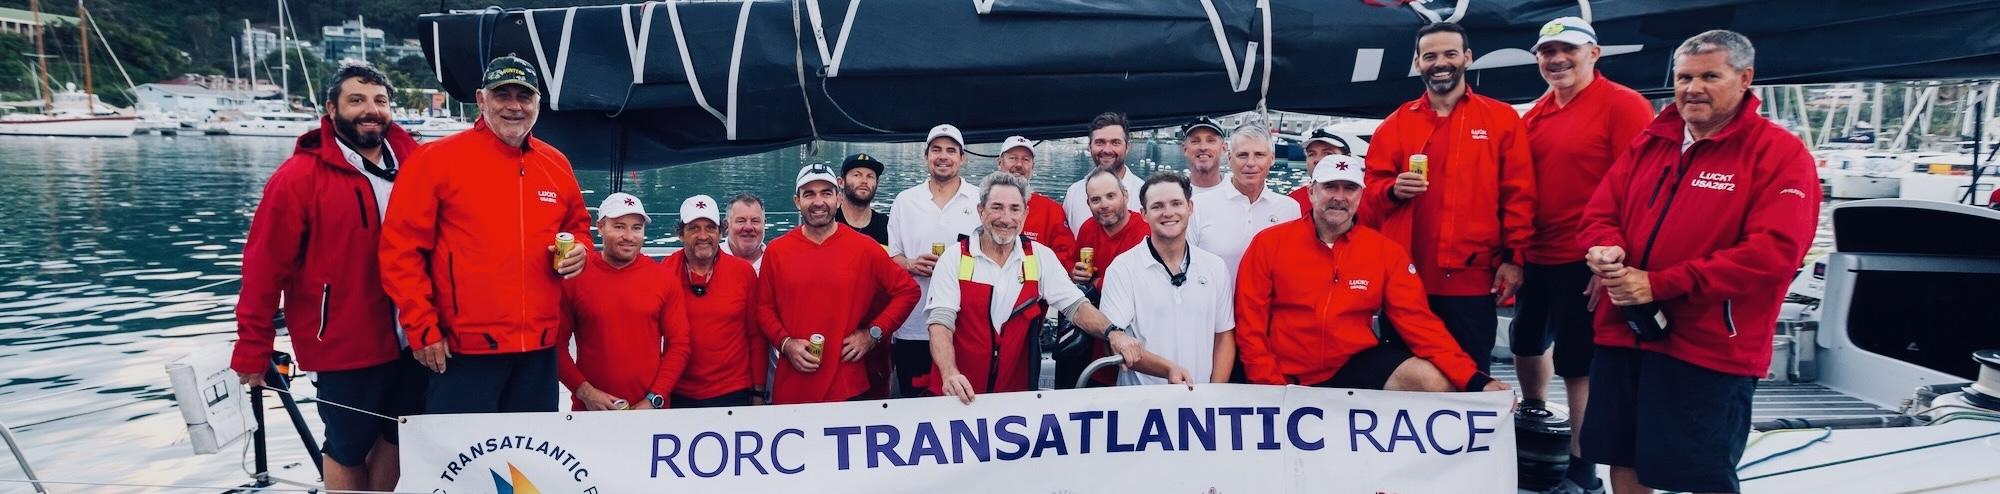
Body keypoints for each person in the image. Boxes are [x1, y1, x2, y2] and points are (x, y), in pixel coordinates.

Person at [1577, 30, 1820, 494]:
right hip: (1625, 331)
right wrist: (1605, 248)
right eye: (1684, 77)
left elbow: (1775, 253)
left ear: (1745, 78)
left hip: (1710, 345)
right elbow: (1600, 212)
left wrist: (1661, 283)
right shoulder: (1652, 140)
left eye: (1710, 76)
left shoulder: (1780, 153)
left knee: (1703, 473)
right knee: (1623, 456)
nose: (1693, 88)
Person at [232, 63, 423, 492]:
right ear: (331, 108)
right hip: (342, 343)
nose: (370, 110)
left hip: (414, 337)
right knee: (346, 447)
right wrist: (252, 345)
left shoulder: (419, 164)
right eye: (357, 100)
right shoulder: (297, 178)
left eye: (380, 101)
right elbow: (263, 268)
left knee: (399, 434)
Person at [380, 55, 592, 414]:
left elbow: (577, 227)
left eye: (524, 96)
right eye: (502, 95)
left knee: (528, 464)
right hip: (461, 352)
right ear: (481, 99)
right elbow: (400, 252)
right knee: (462, 466)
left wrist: (582, 250)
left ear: (538, 103)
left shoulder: (555, 163)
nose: (514, 106)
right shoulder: (435, 160)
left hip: (538, 351)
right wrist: (422, 327)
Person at [1515, 16, 1655, 494]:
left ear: (1594, 53)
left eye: (1567, 50)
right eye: (1546, 52)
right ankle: (1533, 427)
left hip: (1589, 256)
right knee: (1525, 341)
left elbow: (1645, 186)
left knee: (1579, 362)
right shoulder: (1536, 112)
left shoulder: (1623, 105)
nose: (1556, 60)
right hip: (1536, 252)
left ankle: (1581, 466)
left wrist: (1617, 261)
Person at [1236, 154, 1506, 393]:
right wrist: (1270, 386)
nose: (1339, 197)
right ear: (1311, 193)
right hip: (1285, 368)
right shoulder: (1269, 244)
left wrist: (1473, 379)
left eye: (1350, 188)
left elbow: (1420, 324)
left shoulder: (1384, 251)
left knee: (1433, 381)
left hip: (1354, 363)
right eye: (1330, 186)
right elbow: (1250, 323)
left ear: (1361, 196)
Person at [1364, 22, 1536, 373]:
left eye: (1449, 54)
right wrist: (1393, 190)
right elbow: (1369, 193)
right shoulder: (1395, 125)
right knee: (1411, 377)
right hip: (1408, 282)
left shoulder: (1502, 119)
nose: (1440, 63)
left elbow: (1519, 194)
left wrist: (1515, 258)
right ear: (1417, 63)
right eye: (1430, 56)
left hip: (1473, 280)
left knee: (1472, 376)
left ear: (1468, 58)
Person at [927, 172, 1163, 403]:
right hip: (955, 395)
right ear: (981, 211)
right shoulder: (954, 258)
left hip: (1012, 398)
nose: (1006, 218)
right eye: (996, 207)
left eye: (1015, 209)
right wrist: (949, 373)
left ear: (1025, 213)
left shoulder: (1039, 257)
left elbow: (1076, 307)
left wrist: (1113, 333)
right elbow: (940, 323)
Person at [758, 164, 923, 404]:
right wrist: (785, 343)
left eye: (826, 193)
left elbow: (908, 291)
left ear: (838, 198)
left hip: (848, 386)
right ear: (797, 201)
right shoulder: (776, 251)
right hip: (793, 386)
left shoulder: (865, 248)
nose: (818, 202)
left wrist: (873, 333)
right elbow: (763, 307)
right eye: (809, 194)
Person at [555, 193, 692, 412]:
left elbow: (679, 345)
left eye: (636, 228)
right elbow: (555, 345)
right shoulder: (575, 277)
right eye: (619, 227)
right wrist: (586, 393)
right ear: (600, 227)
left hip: (650, 411)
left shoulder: (664, 279)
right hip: (589, 411)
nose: (628, 236)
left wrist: (655, 398)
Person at [1100, 172, 1235, 385]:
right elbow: (1116, 343)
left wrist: (1214, 394)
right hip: (1141, 404)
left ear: (1190, 207)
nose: (1168, 213)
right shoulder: (1122, 268)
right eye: (1157, 206)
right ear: (1144, 214)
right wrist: (1169, 370)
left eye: (1176, 203)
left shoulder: (1215, 267)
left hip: (1200, 403)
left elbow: (1224, 335)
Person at [883, 124, 983, 397]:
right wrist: (911, 264)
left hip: (964, 325)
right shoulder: (905, 201)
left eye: (951, 150)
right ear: (925, 155)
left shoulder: (980, 201)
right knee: (914, 402)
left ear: (963, 158)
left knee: (963, 401)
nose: (943, 156)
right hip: (913, 324)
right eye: (936, 149)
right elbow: (892, 258)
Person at [665, 195, 768, 408]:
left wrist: (758, 391)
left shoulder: (743, 273)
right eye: (694, 228)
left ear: (720, 232)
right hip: (677, 389)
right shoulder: (664, 272)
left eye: (710, 228)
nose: (703, 236)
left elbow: (755, 336)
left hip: (733, 390)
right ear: (680, 234)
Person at [1056, 168, 1151, 388]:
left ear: (1125, 196)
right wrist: (1074, 271)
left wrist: (1097, 283)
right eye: (1096, 199)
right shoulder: (1089, 228)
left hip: (1133, 333)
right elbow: (1073, 265)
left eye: (1111, 196)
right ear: (1088, 204)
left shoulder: (1144, 231)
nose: (1104, 204)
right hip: (1094, 330)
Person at [1188, 122, 1301, 278]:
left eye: (1259, 155)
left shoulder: (1290, 209)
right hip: (1214, 302)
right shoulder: (1198, 205)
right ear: (1229, 158)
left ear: (1272, 159)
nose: (1251, 163)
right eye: (1243, 155)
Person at [996, 135, 1078, 267]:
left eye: (1025, 160)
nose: (1019, 164)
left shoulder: (1051, 210)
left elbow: (1066, 255)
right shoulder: (981, 204)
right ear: (1000, 163)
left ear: (1032, 167)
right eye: (1012, 158)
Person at [1064, 112, 1147, 234]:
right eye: (1100, 142)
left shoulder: (1145, 193)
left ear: (1128, 147)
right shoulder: (1074, 193)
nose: (1107, 150)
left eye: (1115, 142)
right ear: (1090, 147)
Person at [1287, 129, 1352, 216]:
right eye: (1311, 154)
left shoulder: (1367, 201)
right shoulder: (1293, 201)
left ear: (1348, 158)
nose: (1317, 160)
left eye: (1328, 154)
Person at [836, 153, 892, 247]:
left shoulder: (886, 226)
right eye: (857, 175)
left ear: (877, 184)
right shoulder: (829, 222)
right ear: (841, 182)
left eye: (870, 176)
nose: (864, 181)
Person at [1181, 117, 1230, 196]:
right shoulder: (1173, 193)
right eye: (1195, 141)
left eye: (1211, 141)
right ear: (1185, 149)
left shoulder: (1239, 188)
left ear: (1224, 148)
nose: (1203, 147)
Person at [721, 193, 768, 272]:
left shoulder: (776, 260)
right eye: (741, 221)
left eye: (755, 221)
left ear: (764, 224)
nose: (748, 227)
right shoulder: (710, 260)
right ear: (727, 225)